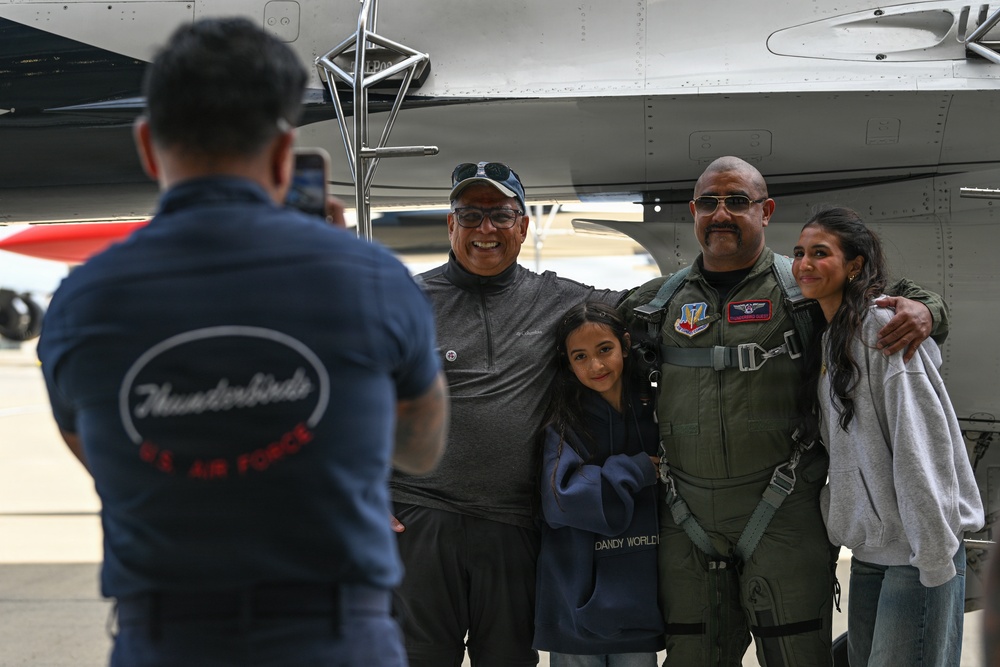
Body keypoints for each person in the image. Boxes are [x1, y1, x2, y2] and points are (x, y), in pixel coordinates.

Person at [36, 17, 448, 667]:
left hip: (166, 639)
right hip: (336, 638)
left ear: (147, 146)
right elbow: (421, 449)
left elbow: (103, 453)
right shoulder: (370, 280)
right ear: (286, 155)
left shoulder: (80, 300)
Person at [622, 155, 949, 667]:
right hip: (685, 517)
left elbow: (884, 297)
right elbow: (585, 327)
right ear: (693, 211)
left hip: (782, 513)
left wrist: (929, 308)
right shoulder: (658, 304)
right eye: (709, 202)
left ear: (766, 210)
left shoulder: (805, 296)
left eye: (737, 201)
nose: (722, 214)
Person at [389, 162, 627, 667]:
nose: (486, 230)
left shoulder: (559, 299)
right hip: (421, 520)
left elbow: (649, 307)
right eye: (470, 216)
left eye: (500, 215)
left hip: (514, 526)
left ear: (523, 226)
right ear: (450, 226)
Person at [792, 206, 983, 667]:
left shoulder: (881, 327)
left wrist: (933, 557)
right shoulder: (832, 337)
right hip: (874, 548)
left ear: (855, 265)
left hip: (919, 553)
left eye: (820, 253)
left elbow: (922, 444)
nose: (804, 264)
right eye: (799, 253)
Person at [533, 301, 664, 666]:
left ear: (624, 344)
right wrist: (633, 471)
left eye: (604, 350)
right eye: (580, 356)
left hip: (639, 604)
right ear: (567, 362)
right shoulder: (564, 418)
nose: (596, 366)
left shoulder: (655, 408)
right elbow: (559, 498)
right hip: (575, 604)